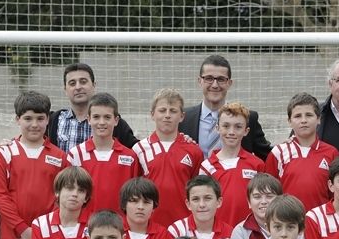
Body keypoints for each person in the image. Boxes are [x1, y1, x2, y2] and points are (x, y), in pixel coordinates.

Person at [0, 91, 69, 239]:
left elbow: (62, 198)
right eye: (28, 118)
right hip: (12, 236)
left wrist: (44, 228)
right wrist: (22, 229)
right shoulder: (5, 153)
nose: (34, 124)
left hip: (47, 235)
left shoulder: (60, 157)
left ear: (47, 119)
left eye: (40, 118)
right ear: (17, 120)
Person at [179, 54, 272, 159]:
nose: (214, 85)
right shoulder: (183, 118)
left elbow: (269, 157)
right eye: (209, 78)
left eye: (221, 79)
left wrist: (289, 145)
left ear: (229, 83)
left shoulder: (249, 118)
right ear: (200, 81)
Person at [133, 88, 202, 228]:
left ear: (182, 116)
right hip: (149, 226)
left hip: (184, 227)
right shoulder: (139, 149)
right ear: (152, 114)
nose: (167, 115)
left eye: (173, 111)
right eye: (162, 110)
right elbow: (134, 192)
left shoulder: (194, 150)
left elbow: (197, 190)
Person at [265, 93, 339, 212]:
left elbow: (336, 194)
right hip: (287, 222)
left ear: (319, 119)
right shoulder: (278, 153)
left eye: (309, 115)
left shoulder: (332, 153)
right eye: (298, 116)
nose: (303, 120)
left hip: (320, 223)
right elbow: (269, 193)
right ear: (289, 121)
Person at [66, 92, 140, 213]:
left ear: (116, 120)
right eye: (96, 117)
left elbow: (135, 195)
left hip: (120, 227)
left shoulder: (130, 157)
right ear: (89, 119)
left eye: (107, 117)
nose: (101, 122)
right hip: (85, 227)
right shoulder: (75, 154)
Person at [198, 102, 265, 227]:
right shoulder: (206, 167)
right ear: (217, 128)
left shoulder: (257, 164)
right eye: (226, 126)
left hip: (250, 232)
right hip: (218, 232)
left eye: (238, 127)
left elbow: (264, 201)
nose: (231, 132)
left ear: (246, 131)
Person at [47, 62, 138, 153]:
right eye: (72, 83)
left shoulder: (113, 122)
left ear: (94, 85)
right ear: (65, 89)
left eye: (83, 82)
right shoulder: (53, 120)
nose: (78, 87)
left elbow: (136, 150)